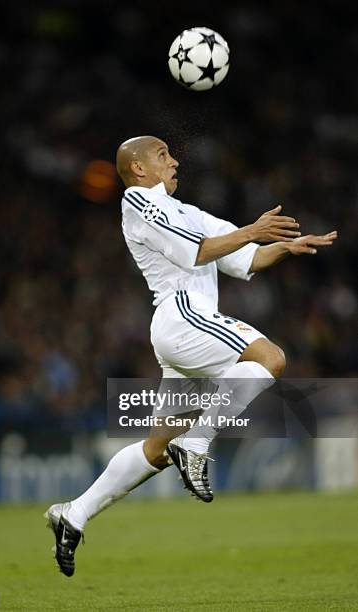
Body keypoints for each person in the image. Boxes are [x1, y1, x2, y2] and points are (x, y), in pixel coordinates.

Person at [45, 135, 337, 576]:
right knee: (270, 358)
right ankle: (197, 442)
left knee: (156, 450)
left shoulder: (185, 212)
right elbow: (198, 251)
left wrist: (280, 247)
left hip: (185, 330)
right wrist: (251, 231)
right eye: (163, 155)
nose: (174, 160)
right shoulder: (139, 202)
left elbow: (243, 257)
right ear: (140, 169)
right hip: (182, 314)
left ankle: (73, 513)